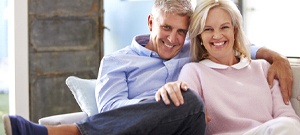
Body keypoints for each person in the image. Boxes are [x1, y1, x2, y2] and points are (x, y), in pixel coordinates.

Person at [1, 0, 294, 135]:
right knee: (185, 100)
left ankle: (68, 134)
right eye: (167, 28)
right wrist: (161, 100)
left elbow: (231, 43)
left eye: (182, 32)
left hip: (185, 130)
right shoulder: (116, 62)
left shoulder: (194, 49)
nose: (173, 39)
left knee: (187, 100)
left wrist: (274, 56)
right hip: (139, 130)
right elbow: (113, 111)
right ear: (151, 22)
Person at [156, 0, 300, 134]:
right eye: (208, 29)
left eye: (224, 27)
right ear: (200, 37)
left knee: (289, 125)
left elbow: (287, 116)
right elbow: (187, 112)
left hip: (271, 131)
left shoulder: (263, 68)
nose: (217, 36)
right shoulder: (193, 71)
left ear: (235, 31)